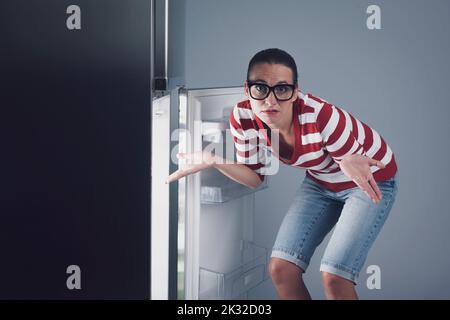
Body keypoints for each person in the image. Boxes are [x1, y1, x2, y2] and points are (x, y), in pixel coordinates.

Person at [166, 48, 399, 300]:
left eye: (282, 89)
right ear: (247, 89)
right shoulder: (243, 118)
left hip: (370, 180)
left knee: (335, 277)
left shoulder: (321, 116)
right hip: (321, 181)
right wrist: (213, 160)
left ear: (295, 92)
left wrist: (346, 159)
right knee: (281, 269)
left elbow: (353, 162)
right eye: (260, 88)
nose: (270, 100)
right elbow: (255, 178)